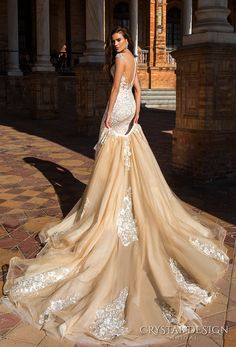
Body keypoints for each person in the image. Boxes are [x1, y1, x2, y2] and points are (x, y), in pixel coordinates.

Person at [1, 27, 229, 346]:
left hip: (116, 111)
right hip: (129, 112)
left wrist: (108, 116)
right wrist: (136, 112)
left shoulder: (123, 58)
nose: (116, 45)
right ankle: (123, 198)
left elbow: (116, 89)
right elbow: (137, 88)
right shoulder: (133, 58)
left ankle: (113, 202)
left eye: (119, 40)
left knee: (110, 156)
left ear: (126, 42)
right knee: (127, 159)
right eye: (114, 41)